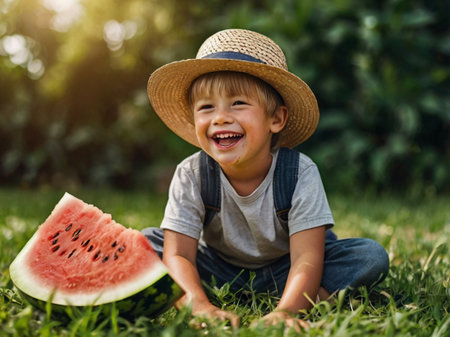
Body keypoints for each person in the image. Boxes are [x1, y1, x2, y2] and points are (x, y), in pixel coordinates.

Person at [142, 28, 389, 330]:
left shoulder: (300, 173)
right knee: (143, 245)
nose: (220, 117)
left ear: (277, 119)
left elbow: (307, 259)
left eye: (238, 104)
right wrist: (199, 306)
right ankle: (198, 294)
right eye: (206, 107)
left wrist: (287, 313)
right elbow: (179, 253)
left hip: (287, 268)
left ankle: (294, 302)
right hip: (217, 268)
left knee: (369, 257)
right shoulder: (192, 174)